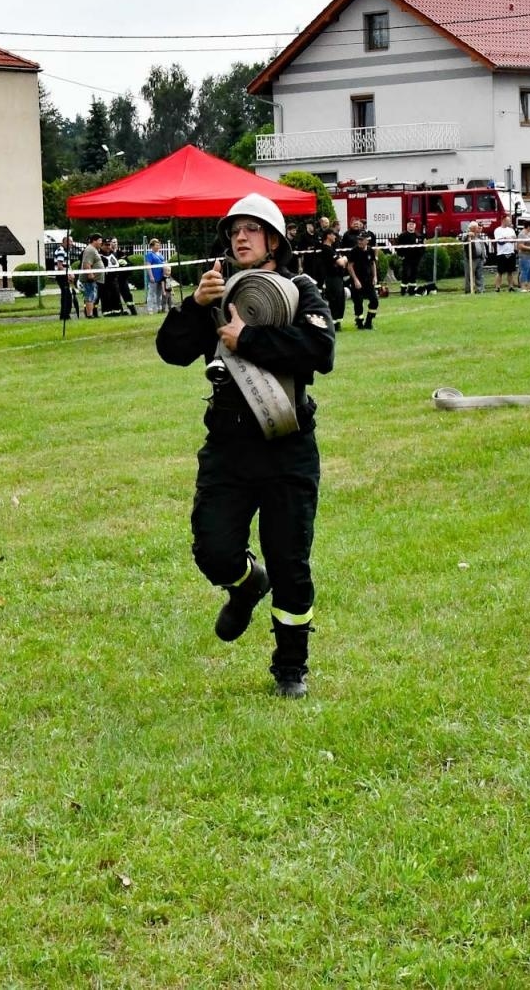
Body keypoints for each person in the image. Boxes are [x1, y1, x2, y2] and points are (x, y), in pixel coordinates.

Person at [155, 192, 335, 699]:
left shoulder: (300, 290)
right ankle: (245, 584)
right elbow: (171, 351)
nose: (240, 237)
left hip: (288, 446)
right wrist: (196, 305)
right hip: (228, 445)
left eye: (252, 228)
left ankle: (291, 668)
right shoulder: (216, 292)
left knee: (290, 562)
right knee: (213, 548)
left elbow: (321, 351)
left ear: (274, 239)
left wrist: (248, 340)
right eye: (234, 230)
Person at [346, 230, 378, 328]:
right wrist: (355, 280)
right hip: (357, 280)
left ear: (367, 241)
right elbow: (350, 266)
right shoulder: (354, 251)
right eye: (358, 239)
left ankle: (369, 321)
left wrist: (375, 277)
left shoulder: (370, 250)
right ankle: (359, 322)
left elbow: (373, 264)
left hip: (368, 280)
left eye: (361, 240)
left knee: (374, 300)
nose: (359, 241)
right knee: (358, 302)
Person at [392, 218, 429, 295]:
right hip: (406, 258)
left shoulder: (419, 236)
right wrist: (401, 255)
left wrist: (420, 255)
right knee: (406, 273)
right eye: (409, 224)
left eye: (412, 224)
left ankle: (411, 290)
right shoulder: (402, 236)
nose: (411, 226)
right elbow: (397, 247)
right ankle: (403, 290)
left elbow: (423, 247)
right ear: (407, 225)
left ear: (415, 226)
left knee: (414, 274)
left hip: (416, 259)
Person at [51, 237, 77, 322]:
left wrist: (71, 273)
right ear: (65, 242)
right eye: (71, 242)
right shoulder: (61, 251)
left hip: (64, 275)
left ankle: (64, 315)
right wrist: (68, 276)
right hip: (62, 276)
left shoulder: (65, 251)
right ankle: (65, 316)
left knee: (66, 295)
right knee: (66, 296)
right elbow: (60, 266)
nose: (72, 244)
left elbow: (67, 265)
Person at [79, 234, 104, 319]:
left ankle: (91, 313)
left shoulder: (94, 250)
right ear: (94, 240)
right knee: (89, 296)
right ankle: (89, 315)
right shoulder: (90, 250)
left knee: (92, 296)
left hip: (95, 279)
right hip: (89, 279)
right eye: (100, 240)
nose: (101, 243)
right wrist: (90, 274)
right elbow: (86, 263)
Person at [493, 217, 518, 292]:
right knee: (500, 272)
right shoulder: (497, 230)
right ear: (503, 221)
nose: (510, 222)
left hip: (511, 252)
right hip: (501, 253)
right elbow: (500, 242)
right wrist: (508, 239)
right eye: (508, 221)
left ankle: (511, 287)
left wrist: (506, 238)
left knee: (510, 272)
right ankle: (497, 287)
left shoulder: (511, 230)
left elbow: (514, 239)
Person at [143, 238, 168, 313]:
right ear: (152, 246)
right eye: (156, 245)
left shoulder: (160, 254)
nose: (158, 247)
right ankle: (150, 309)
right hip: (154, 277)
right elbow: (148, 266)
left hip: (161, 277)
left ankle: (159, 308)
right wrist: (151, 276)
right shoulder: (149, 255)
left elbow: (164, 264)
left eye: (158, 245)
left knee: (159, 294)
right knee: (151, 293)